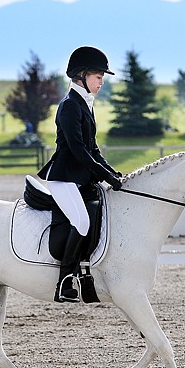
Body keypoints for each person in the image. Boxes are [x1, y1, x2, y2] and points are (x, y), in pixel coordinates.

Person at [37, 46, 122, 303]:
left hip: (79, 176)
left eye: (102, 78)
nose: (101, 82)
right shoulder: (69, 106)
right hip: (64, 176)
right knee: (82, 222)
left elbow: (94, 148)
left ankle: (87, 272)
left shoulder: (85, 103)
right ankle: (65, 280)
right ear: (82, 75)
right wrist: (106, 177)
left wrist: (111, 172)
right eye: (98, 77)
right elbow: (79, 152)